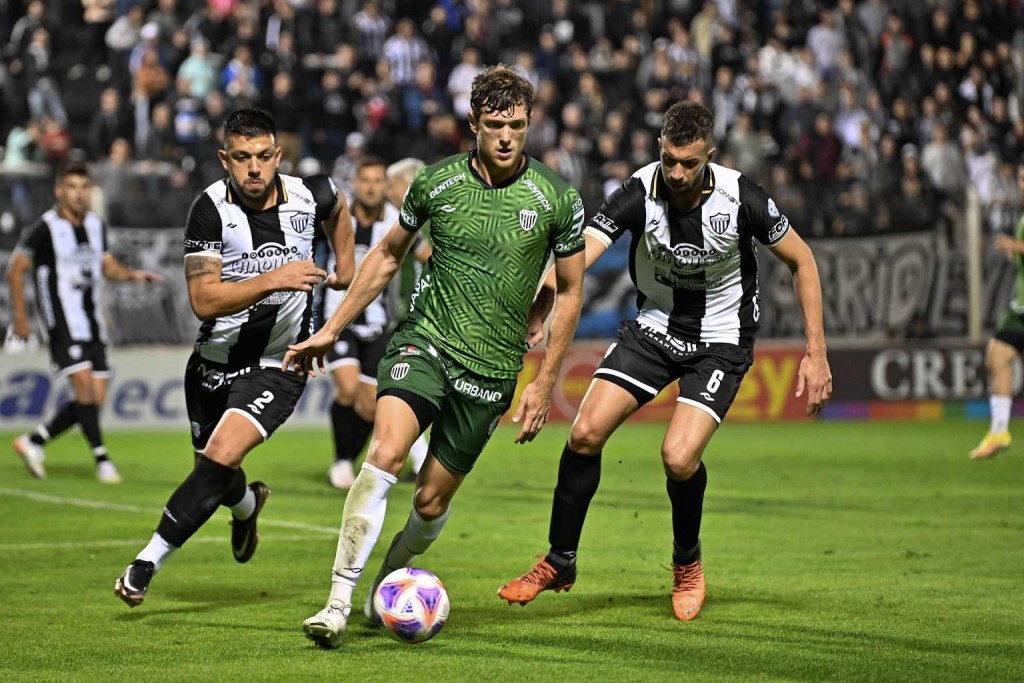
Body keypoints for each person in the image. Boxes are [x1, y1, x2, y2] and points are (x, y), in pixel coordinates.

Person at [284, 64, 587, 648]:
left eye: (517, 126)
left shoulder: (556, 198)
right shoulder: (437, 183)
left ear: (530, 124)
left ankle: (385, 583)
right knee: (386, 452)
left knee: (429, 500)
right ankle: (336, 603)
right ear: (473, 123)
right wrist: (332, 327)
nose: (506, 137)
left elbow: (570, 289)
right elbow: (387, 256)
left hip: (493, 369)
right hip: (425, 341)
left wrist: (544, 380)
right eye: (495, 125)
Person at [496, 100, 833, 621]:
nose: (676, 173)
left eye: (688, 164)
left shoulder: (742, 196)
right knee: (584, 433)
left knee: (678, 457)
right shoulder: (639, 191)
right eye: (669, 160)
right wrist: (543, 298)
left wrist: (817, 352)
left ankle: (687, 562)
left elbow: (802, 260)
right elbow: (579, 255)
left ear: (709, 157)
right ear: (660, 148)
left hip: (721, 339)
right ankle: (560, 560)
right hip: (654, 329)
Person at [113, 108, 355, 607]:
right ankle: (247, 506)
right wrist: (274, 278)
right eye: (242, 157)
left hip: (279, 363)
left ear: (278, 155)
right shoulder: (209, 209)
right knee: (214, 475)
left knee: (221, 456)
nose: (254, 168)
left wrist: (346, 270)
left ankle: (145, 563)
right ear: (225, 159)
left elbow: (338, 207)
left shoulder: (312, 194)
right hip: (213, 360)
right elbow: (203, 301)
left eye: (263, 156)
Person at [7, 161, 163, 484]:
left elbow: (108, 267)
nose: (78, 194)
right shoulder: (45, 228)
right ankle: (102, 460)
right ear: (59, 191)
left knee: (94, 400)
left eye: (83, 187)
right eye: (72, 187)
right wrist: (21, 318)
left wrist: (134, 275)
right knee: (85, 391)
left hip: (93, 323)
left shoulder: (95, 225)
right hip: (62, 321)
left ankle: (34, 441)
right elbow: (15, 270)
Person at [324, 156, 432, 489]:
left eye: (377, 181)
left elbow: (427, 255)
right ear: (354, 184)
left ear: (385, 186)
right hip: (338, 320)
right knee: (347, 389)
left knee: (371, 405)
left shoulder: (399, 222)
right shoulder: (336, 217)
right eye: (365, 180)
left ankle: (349, 457)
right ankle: (342, 460)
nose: (371, 187)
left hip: (379, 324)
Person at [970, 162, 1024, 460]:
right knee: (997, 355)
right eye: (1021, 177)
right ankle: (999, 430)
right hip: (1021, 307)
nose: (1022, 183)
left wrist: (1015, 246)